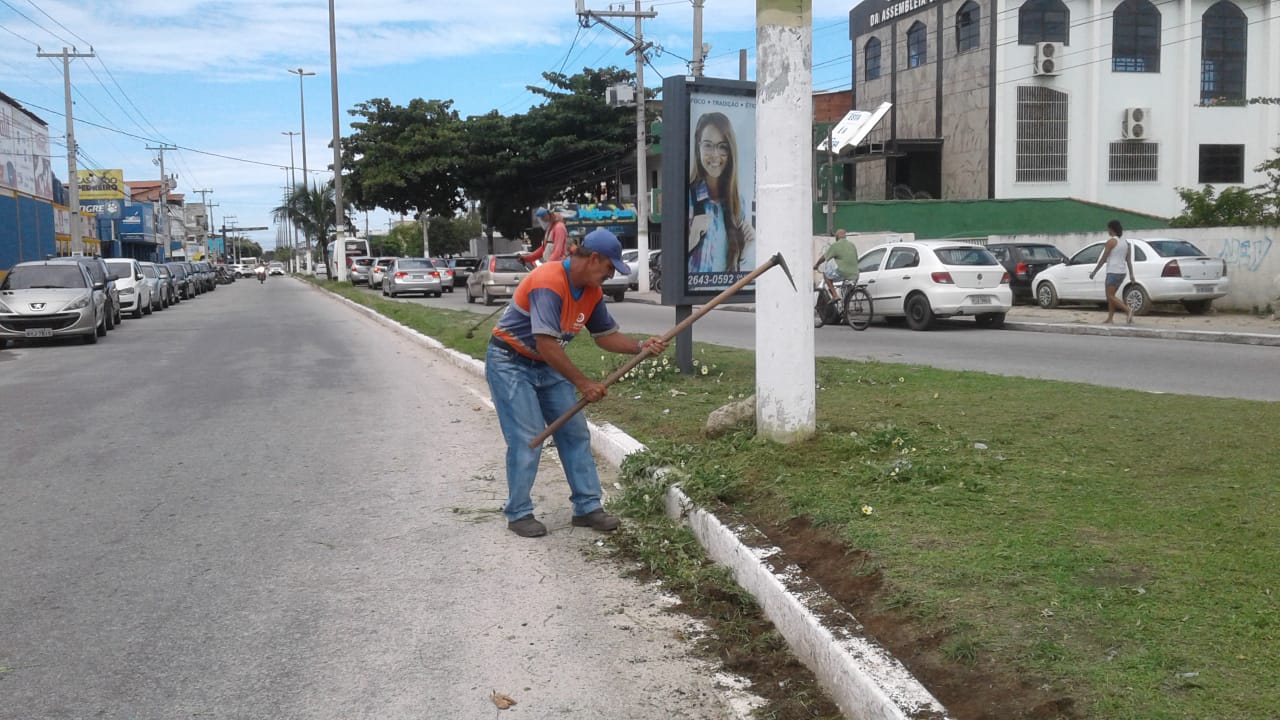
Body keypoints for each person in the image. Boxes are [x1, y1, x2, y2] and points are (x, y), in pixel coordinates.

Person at [486, 228, 668, 538]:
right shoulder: (549, 281)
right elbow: (546, 343)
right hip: (510, 362)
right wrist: (584, 383)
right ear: (593, 258)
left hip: (546, 364)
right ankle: (518, 512)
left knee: (574, 433)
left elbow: (605, 336)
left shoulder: (592, 292)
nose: (610, 275)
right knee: (528, 436)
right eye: (609, 268)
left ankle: (586, 508)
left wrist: (640, 346)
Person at [687, 112, 755, 274]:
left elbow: (736, 270)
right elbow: (671, 264)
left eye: (722, 146)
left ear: (730, 151)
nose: (715, 154)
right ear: (698, 147)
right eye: (708, 145)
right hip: (701, 298)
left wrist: (746, 247)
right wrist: (692, 238)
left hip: (726, 295)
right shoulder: (687, 197)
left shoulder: (738, 202)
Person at [1089, 219, 1135, 324]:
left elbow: (1103, 258)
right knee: (1112, 296)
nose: (1107, 231)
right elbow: (1128, 260)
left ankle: (1128, 310)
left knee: (1109, 296)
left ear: (1111, 229)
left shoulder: (1111, 242)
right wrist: (1132, 275)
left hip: (1113, 271)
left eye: (1108, 229)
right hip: (1122, 272)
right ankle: (1110, 318)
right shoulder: (1126, 243)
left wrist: (1094, 272)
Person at [813, 229, 860, 306]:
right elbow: (856, 259)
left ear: (837, 237)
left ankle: (835, 295)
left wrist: (817, 265)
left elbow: (824, 257)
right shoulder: (852, 245)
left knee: (826, 275)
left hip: (844, 273)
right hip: (855, 274)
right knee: (845, 295)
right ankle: (845, 309)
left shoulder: (836, 245)